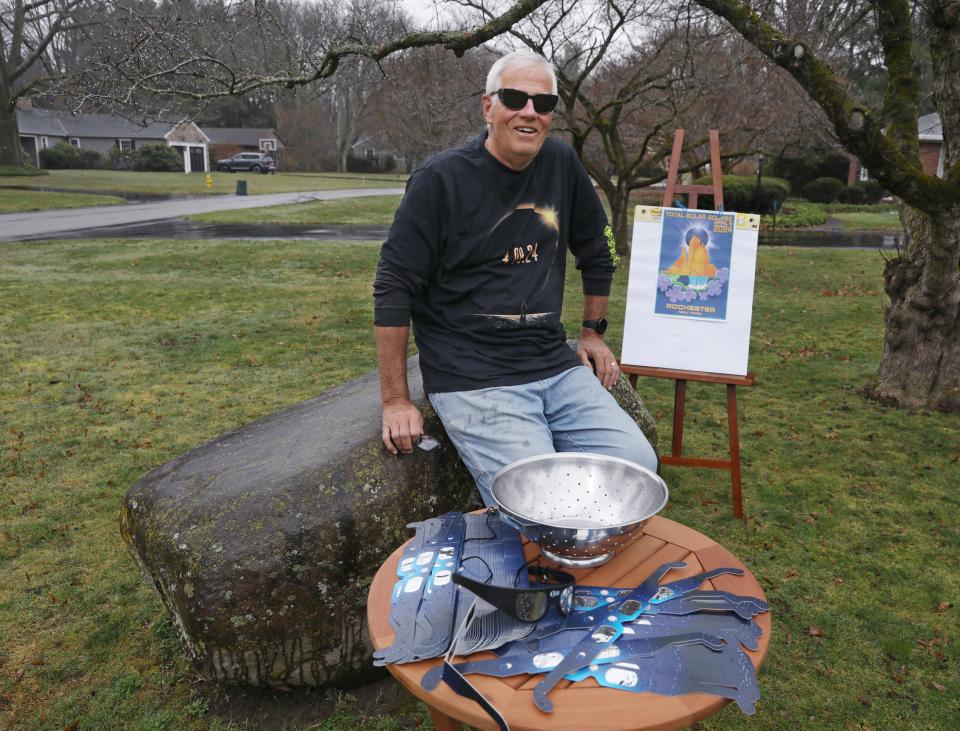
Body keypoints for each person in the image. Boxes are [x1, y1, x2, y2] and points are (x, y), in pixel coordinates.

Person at [373, 50, 657, 506]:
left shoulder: (562, 165)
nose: (530, 112)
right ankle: (536, 562)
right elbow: (393, 286)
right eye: (514, 98)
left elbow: (599, 250)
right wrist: (394, 400)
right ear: (489, 107)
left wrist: (592, 332)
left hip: (551, 363)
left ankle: (583, 558)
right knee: (537, 500)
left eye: (543, 104)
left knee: (635, 467)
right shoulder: (440, 180)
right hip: (474, 375)